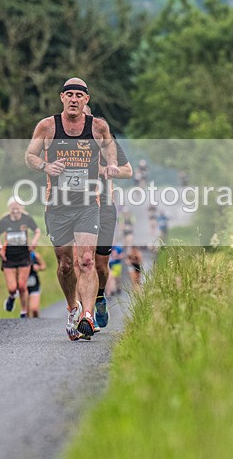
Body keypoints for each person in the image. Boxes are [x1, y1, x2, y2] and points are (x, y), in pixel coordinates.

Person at [25, 77, 118, 340]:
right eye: (70, 95)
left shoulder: (98, 126)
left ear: (86, 99)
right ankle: (73, 308)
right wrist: (46, 166)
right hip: (57, 207)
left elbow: (110, 147)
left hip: (88, 204)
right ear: (62, 98)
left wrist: (111, 164)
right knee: (65, 265)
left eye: (79, 95)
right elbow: (30, 156)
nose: (74, 99)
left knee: (86, 260)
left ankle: (87, 315)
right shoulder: (47, 126)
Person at [83, 104, 132, 331]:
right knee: (83, 261)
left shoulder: (107, 141)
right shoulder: (65, 142)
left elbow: (128, 171)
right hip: (76, 207)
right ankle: (84, 316)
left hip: (104, 208)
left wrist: (107, 170)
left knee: (101, 265)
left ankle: (100, 296)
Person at [0, 198, 40, 318]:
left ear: (22, 208)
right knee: (12, 288)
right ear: (9, 208)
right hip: (9, 257)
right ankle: (12, 297)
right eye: (13, 208)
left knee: (22, 286)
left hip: (24, 255)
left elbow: (37, 231)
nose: (15, 210)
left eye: (17, 208)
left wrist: (34, 242)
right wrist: (0, 247)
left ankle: (24, 312)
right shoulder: (4, 220)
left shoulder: (27, 219)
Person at [26, 249, 46, 318]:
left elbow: (43, 266)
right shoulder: (19, 256)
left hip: (34, 283)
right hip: (23, 285)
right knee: (26, 312)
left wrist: (38, 267)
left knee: (34, 309)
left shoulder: (35, 255)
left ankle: (37, 321)